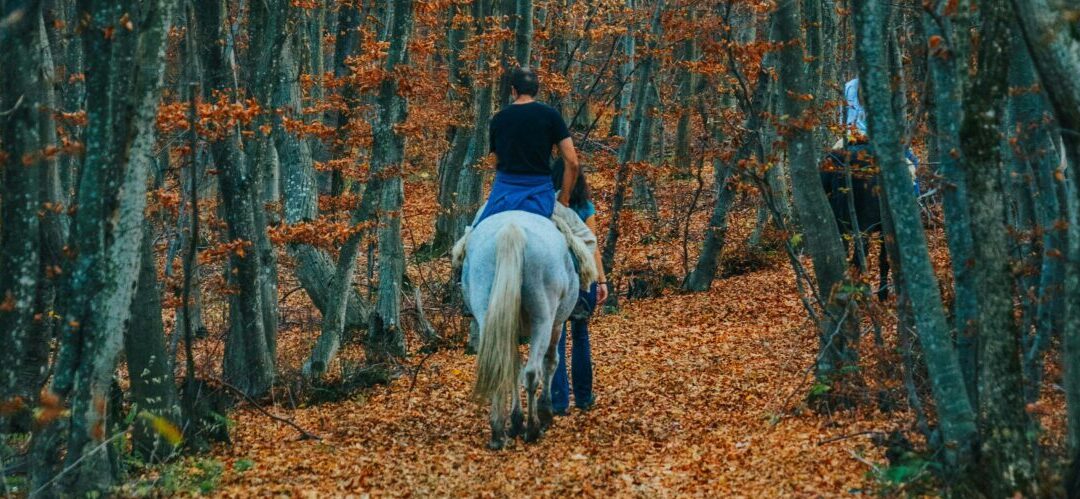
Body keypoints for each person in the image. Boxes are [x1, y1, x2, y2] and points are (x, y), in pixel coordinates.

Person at [549, 162, 607, 415]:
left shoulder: (547, 208)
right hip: (584, 279)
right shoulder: (585, 207)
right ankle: (583, 397)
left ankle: (559, 401)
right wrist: (601, 281)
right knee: (581, 337)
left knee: (556, 339)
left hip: (556, 281)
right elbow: (592, 247)